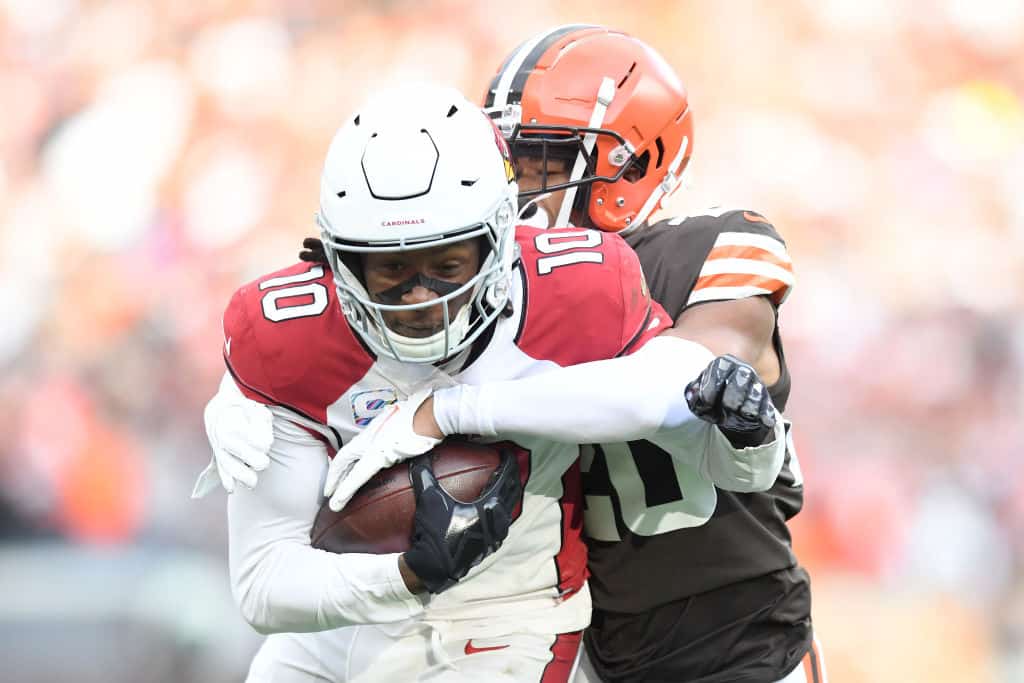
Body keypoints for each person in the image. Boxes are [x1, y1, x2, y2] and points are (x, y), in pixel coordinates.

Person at [200, 25, 822, 683]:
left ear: (635, 164)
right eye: (504, 162)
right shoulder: (497, 289)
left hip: (733, 633)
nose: (513, 186)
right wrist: (246, 392)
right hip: (592, 641)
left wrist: (451, 410)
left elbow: (676, 385)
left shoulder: (690, 254)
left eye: (537, 164)